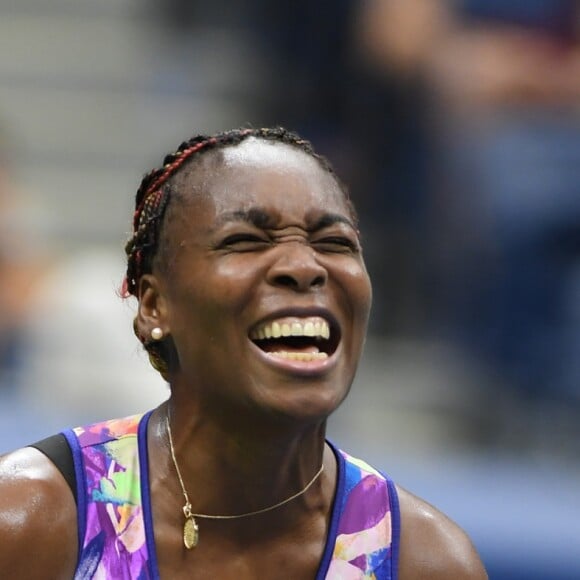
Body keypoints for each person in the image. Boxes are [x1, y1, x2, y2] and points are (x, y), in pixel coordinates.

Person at [0, 127, 487, 579]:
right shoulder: (31, 520)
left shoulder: (424, 563)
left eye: (334, 243)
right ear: (153, 305)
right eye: (246, 241)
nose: (303, 266)